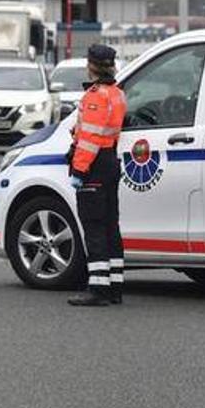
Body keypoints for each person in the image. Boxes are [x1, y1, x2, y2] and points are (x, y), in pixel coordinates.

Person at [66, 44, 127, 307]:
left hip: (94, 163)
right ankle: (114, 285)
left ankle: (98, 288)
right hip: (111, 160)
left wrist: (79, 169)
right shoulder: (117, 93)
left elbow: (89, 139)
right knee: (111, 224)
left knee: (93, 225)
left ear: (91, 66)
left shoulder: (95, 96)